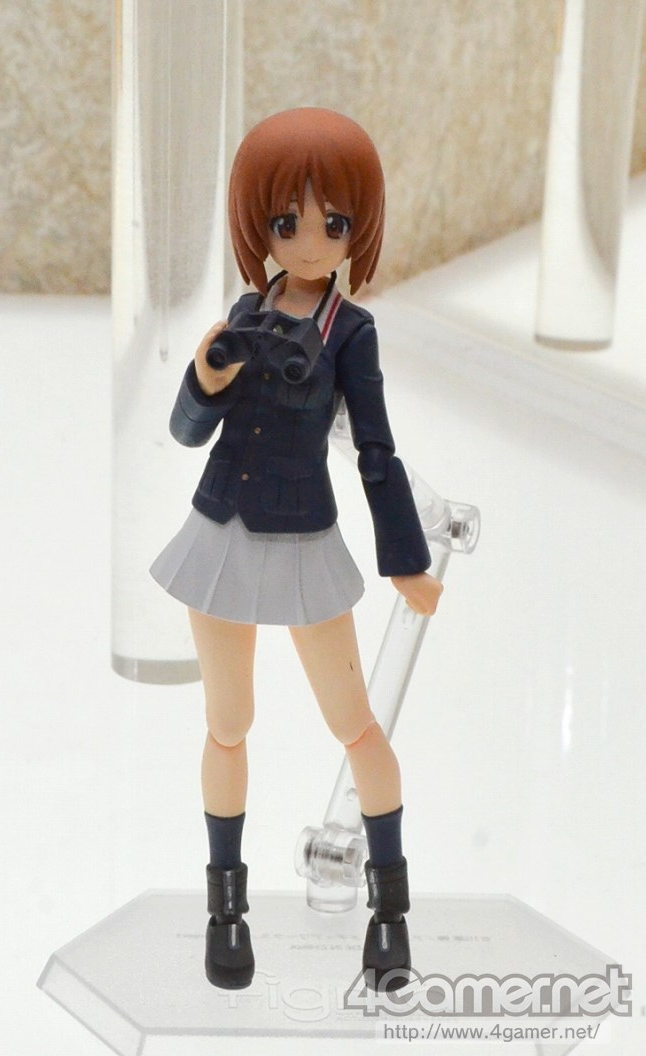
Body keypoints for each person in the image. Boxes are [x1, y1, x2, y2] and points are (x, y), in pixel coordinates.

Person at [150, 107, 443, 992]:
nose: (311, 241)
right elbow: (186, 431)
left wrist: (405, 557)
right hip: (221, 531)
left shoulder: (351, 332)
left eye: (334, 222)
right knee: (227, 724)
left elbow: (376, 451)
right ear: (260, 226)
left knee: (354, 724)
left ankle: (390, 914)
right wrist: (207, 375)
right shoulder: (245, 314)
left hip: (306, 536)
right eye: (287, 221)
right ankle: (225, 912)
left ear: (358, 229)